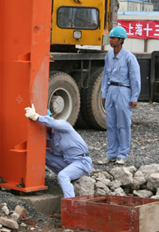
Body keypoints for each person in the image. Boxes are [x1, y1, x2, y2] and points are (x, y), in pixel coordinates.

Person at [25, 104, 92, 198]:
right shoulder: (48, 138)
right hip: (68, 163)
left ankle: (70, 203)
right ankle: (69, 177)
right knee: (42, 154)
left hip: (81, 162)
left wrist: (37, 117)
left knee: (62, 176)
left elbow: (53, 123)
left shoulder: (63, 126)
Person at [99, 26, 141, 165]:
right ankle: (111, 154)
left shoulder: (129, 57)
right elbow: (105, 75)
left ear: (121, 40)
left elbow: (135, 77)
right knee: (110, 124)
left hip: (123, 91)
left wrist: (134, 96)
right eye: (110, 38)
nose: (111, 40)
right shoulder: (109, 56)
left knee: (123, 124)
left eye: (113, 38)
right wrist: (104, 93)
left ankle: (122, 154)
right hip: (111, 90)